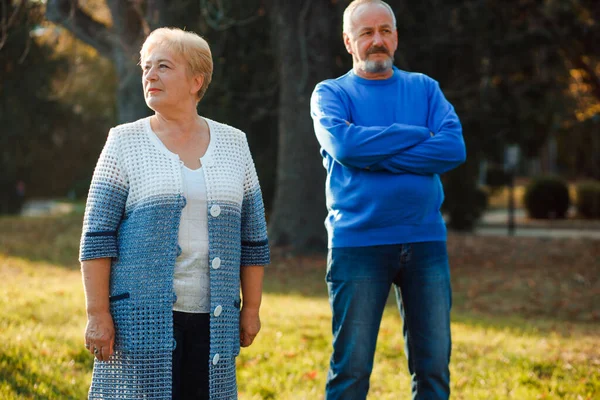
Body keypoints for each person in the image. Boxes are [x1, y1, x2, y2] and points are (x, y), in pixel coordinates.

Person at [79, 27, 270, 399]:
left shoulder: (235, 143)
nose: (150, 75)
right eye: (146, 67)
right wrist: (97, 313)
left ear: (196, 80)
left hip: (214, 318)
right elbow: (97, 236)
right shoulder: (124, 142)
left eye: (163, 66)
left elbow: (253, 239)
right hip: (140, 318)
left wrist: (252, 308)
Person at [310, 1, 466, 399]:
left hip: (425, 241)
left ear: (396, 36)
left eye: (385, 31)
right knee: (351, 370)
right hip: (358, 244)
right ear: (349, 41)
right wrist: (416, 132)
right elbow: (345, 145)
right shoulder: (330, 93)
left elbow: (452, 149)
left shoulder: (425, 88)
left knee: (433, 368)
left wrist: (375, 152)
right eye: (366, 33)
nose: (377, 40)